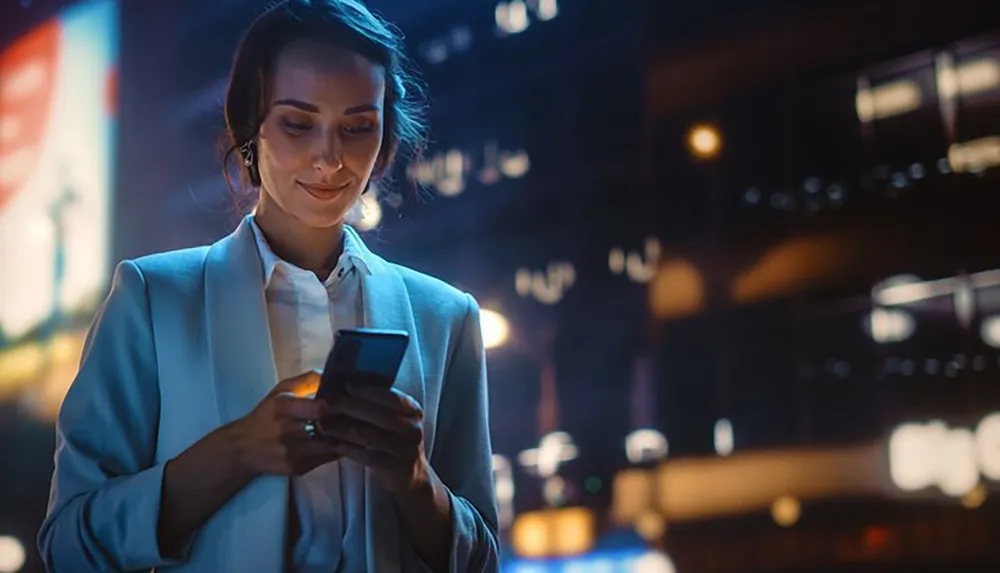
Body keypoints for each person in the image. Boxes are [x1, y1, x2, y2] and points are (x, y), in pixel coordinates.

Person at [37, 1, 499, 571]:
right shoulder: (154, 299)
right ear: (249, 128)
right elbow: (68, 544)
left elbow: (482, 560)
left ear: (385, 143)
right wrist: (235, 452)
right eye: (298, 123)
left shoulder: (445, 317)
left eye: (358, 127)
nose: (329, 158)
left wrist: (413, 479)